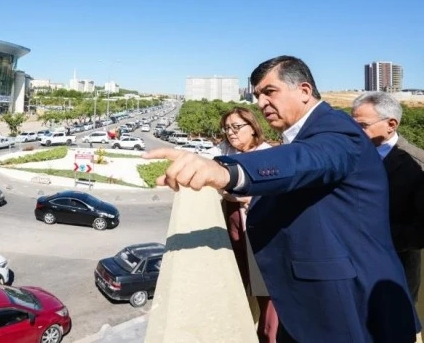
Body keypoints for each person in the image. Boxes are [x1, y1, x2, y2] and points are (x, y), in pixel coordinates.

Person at [144, 55, 419, 342]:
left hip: (353, 310)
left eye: (269, 91)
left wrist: (227, 171)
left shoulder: (338, 131)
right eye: (257, 96)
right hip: (313, 307)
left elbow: (304, 160)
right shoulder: (304, 136)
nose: (261, 103)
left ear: (304, 91)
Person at [352, 91, 424, 303]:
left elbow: (421, 231)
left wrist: (375, 237)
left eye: (363, 125)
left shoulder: (416, 164)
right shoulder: (349, 156)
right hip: (351, 268)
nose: (355, 132)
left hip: (395, 271)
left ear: (391, 124)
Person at [217, 107, 278, 342]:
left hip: (261, 234)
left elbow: (277, 196)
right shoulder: (227, 152)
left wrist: (242, 197)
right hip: (235, 230)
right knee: (239, 284)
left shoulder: (268, 155)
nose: (231, 132)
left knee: (266, 294)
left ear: (253, 128)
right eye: (227, 128)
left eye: (236, 127)